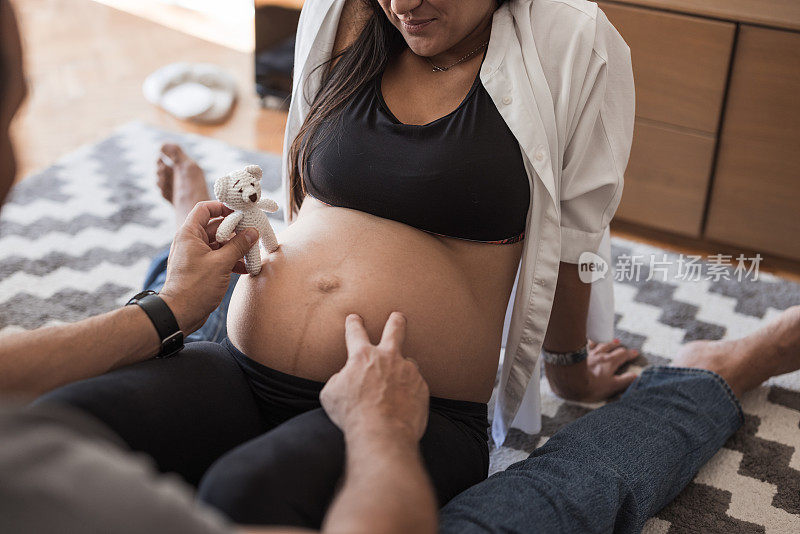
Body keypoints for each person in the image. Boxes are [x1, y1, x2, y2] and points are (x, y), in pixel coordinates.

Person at [2, 2, 800, 532]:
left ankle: (719, 370)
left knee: (244, 496)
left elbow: (577, 230)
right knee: (57, 430)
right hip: (237, 366)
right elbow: (307, 198)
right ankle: (189, 224)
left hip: (415, 411)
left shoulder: (573, 39)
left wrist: (570, 372)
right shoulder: (344, 14)